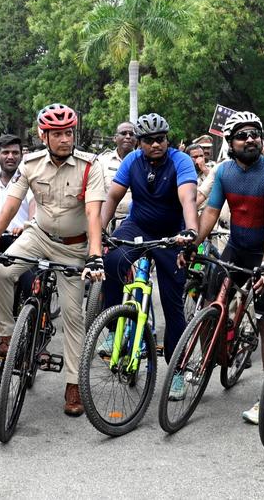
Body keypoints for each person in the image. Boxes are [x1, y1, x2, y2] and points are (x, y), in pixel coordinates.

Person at [0, 103, 105, 417]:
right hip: (39, 235)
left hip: (75, 247)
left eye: (69, 132)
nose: (65, 139)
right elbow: (10, 205)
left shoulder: (90, 166)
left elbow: (93, 215)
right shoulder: (30, 163)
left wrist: (94, 256)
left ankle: (73, 384)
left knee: (74, 317)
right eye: (57, 134)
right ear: (43, 135)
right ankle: (7, 337)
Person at [187, 110, 264, 424]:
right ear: (230, 143)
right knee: (211, 302)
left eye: (254, 134)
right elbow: (210, 212)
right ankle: (210, 359)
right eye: (242, 136)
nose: (250, 140)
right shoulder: (224, 172)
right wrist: (193, 245)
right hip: (237, 247)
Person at [98, 113, 198, 399]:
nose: (157, 144)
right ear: (139, 143)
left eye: (161, 139)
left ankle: (177, 371)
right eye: (150, 140)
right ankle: (117, 326)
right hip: (138, 226)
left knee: (172, 305)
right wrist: (100, 231)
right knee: (113, 261)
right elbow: (113, 198)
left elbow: (188, 198)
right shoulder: (131, 161)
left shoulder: (181, 161)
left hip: (172, 232)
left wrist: (191, 231)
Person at [97, 122, 136, 229]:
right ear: (115, 138)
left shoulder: (143, 160)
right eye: (124, 133)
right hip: (109, 221)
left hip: (136, 222)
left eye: (131, 134)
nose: (128, 137)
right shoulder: (102, 160)